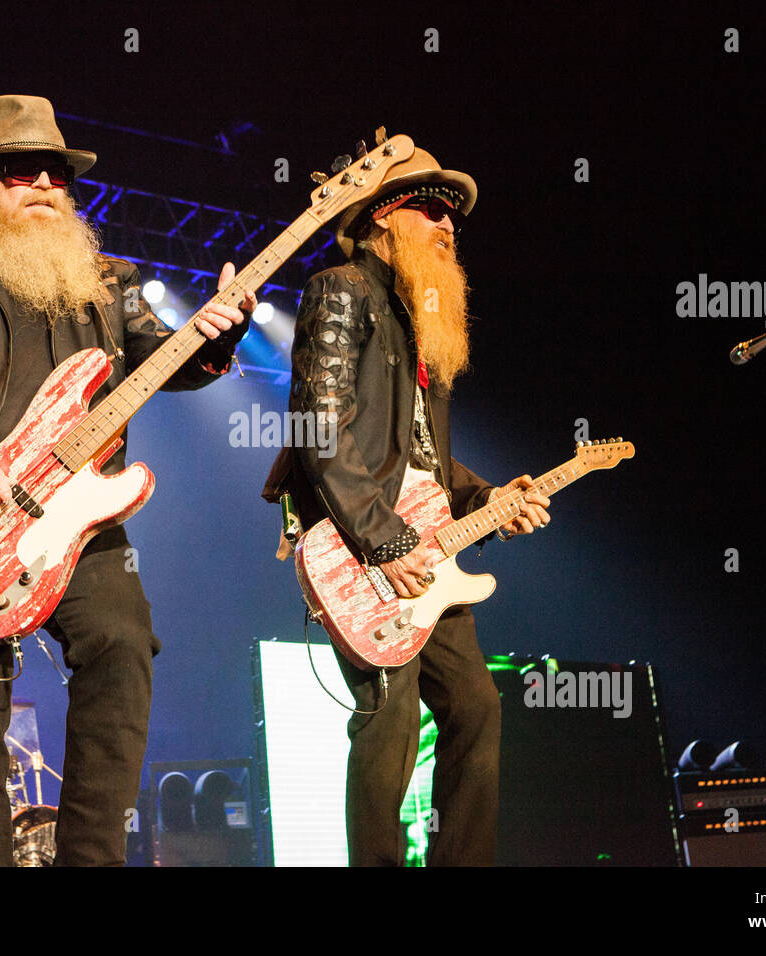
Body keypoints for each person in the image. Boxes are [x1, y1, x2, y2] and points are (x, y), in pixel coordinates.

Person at [0, 95, 252, 866]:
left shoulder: (109, 279)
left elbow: (163, 362)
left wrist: (217, 337)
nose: (42, 184)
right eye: (17, 172)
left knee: (122, 644)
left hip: (82, 517)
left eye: (55, 172)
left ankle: (91, 857)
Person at [263, 146, 551, 866]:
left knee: (477, 707)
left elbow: (420, 456)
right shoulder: (342, 289)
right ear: (383, 221)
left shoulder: (424, 325)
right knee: (388, 718)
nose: (447, 221)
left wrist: (489, 499)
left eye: (451, 210)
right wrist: (385, 542)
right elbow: (318, 430)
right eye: (429, 206)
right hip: (365, 545)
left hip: (424, 549)